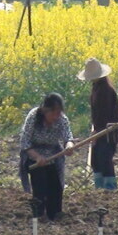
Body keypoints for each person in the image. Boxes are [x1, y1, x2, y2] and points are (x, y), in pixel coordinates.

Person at [19, 93, 75, 221]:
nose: (56, 116)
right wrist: (38, 157)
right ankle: (40, 215)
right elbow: (25, 142)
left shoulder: (62, 120)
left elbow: (68, 137)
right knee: (40, 184)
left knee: (56, 186)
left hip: (53, 155)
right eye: (54, 113)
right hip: (33, 155)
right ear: (45, 110)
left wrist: (69, 146)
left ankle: (55, 214)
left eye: (59, 113)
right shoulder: (33, 117)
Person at [78, 58, 118, 190]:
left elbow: (103, 114)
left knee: (104, 159)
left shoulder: (105, 90)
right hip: (100, 128)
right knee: (95, 161)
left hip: (108, 130)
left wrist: (97, 133)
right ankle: (100, 188)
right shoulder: (97, 87)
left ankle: (109, 188)